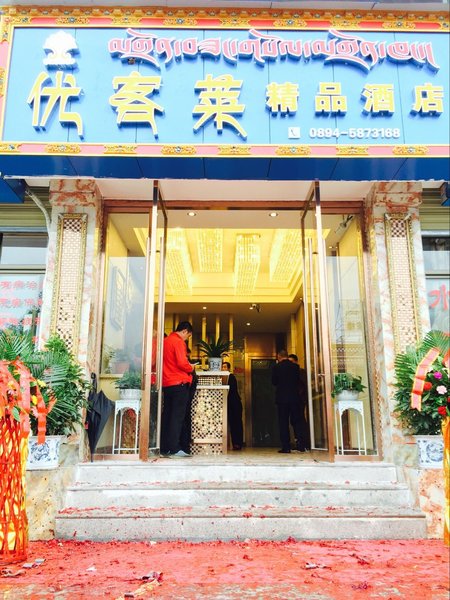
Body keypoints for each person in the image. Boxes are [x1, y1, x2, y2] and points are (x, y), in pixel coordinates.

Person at [160, 321, 194, 458]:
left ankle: (164, 447)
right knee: (177, 417)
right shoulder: (178, 342)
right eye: (188, 336)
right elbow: (181, 362)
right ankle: (174, 448)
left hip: (167, 383)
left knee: (167, 416)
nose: (187, 339)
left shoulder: (165, 341)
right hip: (179, 383)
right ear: (185, 331)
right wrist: (191, 367)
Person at [272, 349, 306, 454]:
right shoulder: (295, 367)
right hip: (294, 397)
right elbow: (297, 381)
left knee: (283, 422)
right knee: (297, 421)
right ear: (287, 356)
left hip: (282, 398)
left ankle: (286, 447)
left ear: (279, 356)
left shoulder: (276, 367)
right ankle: (301, 444)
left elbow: (274, 382)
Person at [288, 354, 310, 452]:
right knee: (294, 421)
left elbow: (302, 386)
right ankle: (299, 442)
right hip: (294, 400)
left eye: (292, 362)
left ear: (296, 362)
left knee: (299, 420)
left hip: (299, 400)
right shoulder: (293, 373)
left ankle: (304, 443)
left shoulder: (301, 372)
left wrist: (299, 397)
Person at [222, 361, 244, 450]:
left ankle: (238, 443)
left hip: (235, 404)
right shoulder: (224, 378)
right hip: (230, 404)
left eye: (224, 367)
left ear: (228, 368)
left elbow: (231, 390)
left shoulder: (231, 377)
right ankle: (235, 443)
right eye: (222, 367)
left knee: (236, 423)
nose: (223, 369)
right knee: (233, 423)